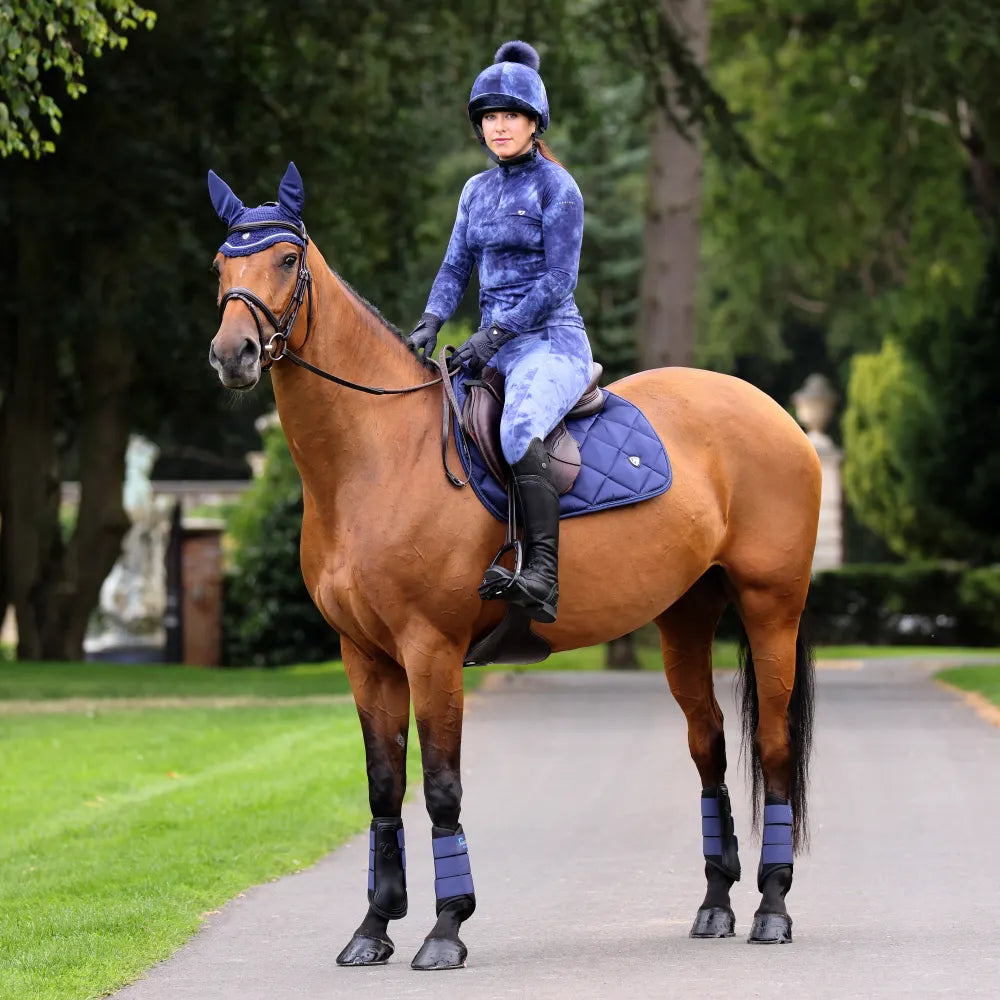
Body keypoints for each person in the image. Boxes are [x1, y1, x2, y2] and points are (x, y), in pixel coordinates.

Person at [406, 39, 594, 625]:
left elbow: (560, 280)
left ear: (535, 123)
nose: (498, 126)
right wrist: (430, 322)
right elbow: (455, 267)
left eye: (510, 115)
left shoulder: (557, 188)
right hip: (495, 348)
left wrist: (496, 333)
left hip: (552, 342)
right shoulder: (475, 192)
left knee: (517, 430)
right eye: (489, 117)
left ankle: (541, 575)